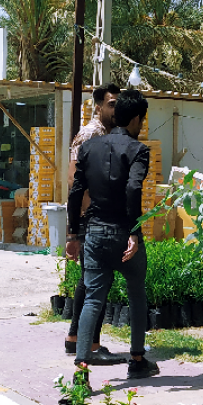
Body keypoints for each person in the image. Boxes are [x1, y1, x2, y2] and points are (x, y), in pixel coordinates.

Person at [66, 89, 160, 381]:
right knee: (136, 294)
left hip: (94, 231)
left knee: (93, 298)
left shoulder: (89, 147)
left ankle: (81, 368)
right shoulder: (138, 150)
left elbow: (76, 191)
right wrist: (134, 231)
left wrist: (73, 234)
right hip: (123, 232)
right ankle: (137, 359)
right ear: (136, 119)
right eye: (142, 120)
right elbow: (133, 188)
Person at [64, 83, 120, 359]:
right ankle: (88, 345)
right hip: (91, 217)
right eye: (111, 104)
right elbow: (75, 180)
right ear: (98, 107)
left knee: (92, 279)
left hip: (98, 216)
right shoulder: (90, 134)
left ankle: (78, 338)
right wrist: (79, 225)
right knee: (96, 280)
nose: (116, 109)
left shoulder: (110, 134)